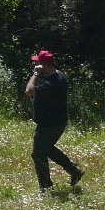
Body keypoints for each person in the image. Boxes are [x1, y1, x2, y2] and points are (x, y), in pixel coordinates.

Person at [25, 50, 83, 192]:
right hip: (58, 122)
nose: (35, 65)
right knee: (47, 149)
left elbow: (29, 91)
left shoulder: (51, 82)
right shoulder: (60, 75)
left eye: (37, 63)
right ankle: (73, 170)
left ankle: (46, 187)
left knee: (38, 154)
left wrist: (36, 74)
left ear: (44, 64)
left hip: (49, 125)